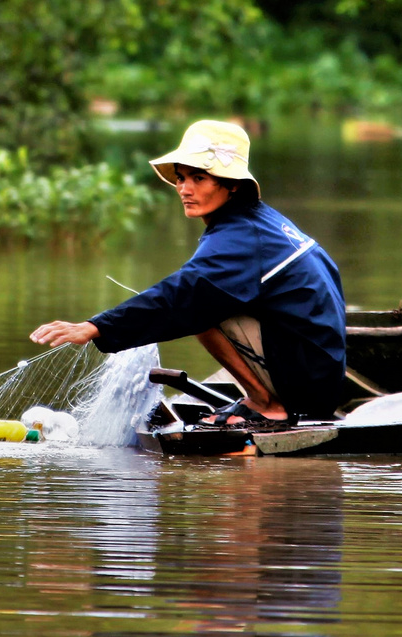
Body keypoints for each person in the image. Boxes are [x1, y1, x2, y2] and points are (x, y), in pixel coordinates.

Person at [30, 120, 346, 428]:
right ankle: (263, 398)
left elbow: (182, 294)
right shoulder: (258, 222)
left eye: (198, 179)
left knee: (198, 306)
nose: (184, 189)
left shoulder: (242, 235)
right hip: (320, 373)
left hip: (309, 385)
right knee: (202, 300)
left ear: (232, 185)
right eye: (181, 178)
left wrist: (95, 326)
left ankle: (266, 405)